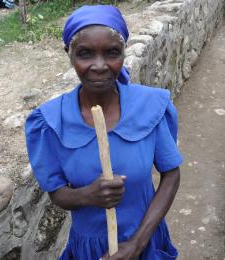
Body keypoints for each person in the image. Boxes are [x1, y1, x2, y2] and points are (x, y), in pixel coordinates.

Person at [25, 5, 183, 260]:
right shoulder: (50, 122)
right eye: (85, 54)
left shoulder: (150, 107)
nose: (99, 66)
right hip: (90, 249)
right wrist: (87, 194)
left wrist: (136, 245)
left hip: (145, 240)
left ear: (123, 53)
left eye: (111, 53)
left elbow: (171, 175)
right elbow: (56, 192)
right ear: (70, 55)